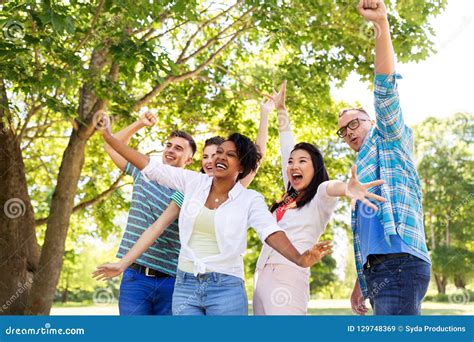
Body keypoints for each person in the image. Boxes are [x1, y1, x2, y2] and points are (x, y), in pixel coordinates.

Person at [96, 112, 334, 315]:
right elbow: (148, 165)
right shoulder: (192, 183)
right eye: (219, 151)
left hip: (226, 287)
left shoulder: (249, 199)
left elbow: (270, 231)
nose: (220, 156)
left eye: (230, 154)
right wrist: (108, 136)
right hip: (186, 286)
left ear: (241, 166)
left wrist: (300, 259)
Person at [93, 98, 275, 283]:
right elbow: (157, 226)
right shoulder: (186, 188)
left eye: (219, 155)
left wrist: (265, 113)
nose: (212, 160)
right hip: (164, 276)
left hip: (207, 278)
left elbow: (256, 159)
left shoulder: (232, 191)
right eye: (206, 156)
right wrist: (123, 263)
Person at [253, 82, 386, 315]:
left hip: (288, 276)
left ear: (315, 168)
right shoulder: (289, 193)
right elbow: (286, 142)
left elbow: (332, 187)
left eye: (302, 161)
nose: (293, 165)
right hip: (261, 276)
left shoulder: (319, 195)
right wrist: (280, 109)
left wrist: (348, 188)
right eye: (291, 162)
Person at [341, 0, 431, 316]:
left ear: (372, 121)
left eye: (355, 122)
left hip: (401, 263)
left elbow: (385, 89)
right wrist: (360, 282)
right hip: (378, 268)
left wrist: (381, 23)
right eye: (343, 130)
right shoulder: (359, 174)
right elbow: (369, 232)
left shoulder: (390, 139)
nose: (349, 131)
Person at [102, 112, 196, 315]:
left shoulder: (192, 188)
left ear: (189, 159)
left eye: (178, 148)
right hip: (135, 277)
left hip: (171, 279)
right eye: (168, 145)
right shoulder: (144, 172)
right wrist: (140, 123)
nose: (170, 150)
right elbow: (110, 145)